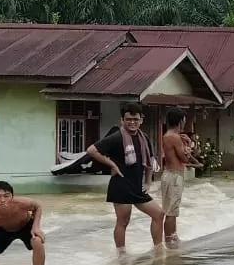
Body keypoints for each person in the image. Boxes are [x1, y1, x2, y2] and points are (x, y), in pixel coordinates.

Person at [85, 102, 165, 250]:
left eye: (135, 119)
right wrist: (112, 164)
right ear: (122, 120)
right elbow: (91, 150)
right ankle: (121, 255)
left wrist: (148, 182)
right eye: (128, 119)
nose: (132, 122)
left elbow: (149, 160)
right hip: (120, 185)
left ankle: (158, 249)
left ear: (141, 120)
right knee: (123, 222)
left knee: (159, 214)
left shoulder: (144, 137)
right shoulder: (116, 137)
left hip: (137, 186)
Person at [158, 107, 199, 247]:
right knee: (171, 210)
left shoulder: (169, 135)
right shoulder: (173, 137)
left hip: (171, 175)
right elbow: (184, 158)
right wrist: (189, 144)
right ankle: (170, 239)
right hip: (174, 176)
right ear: (181, 121)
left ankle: (172, 237)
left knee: (172, 209)